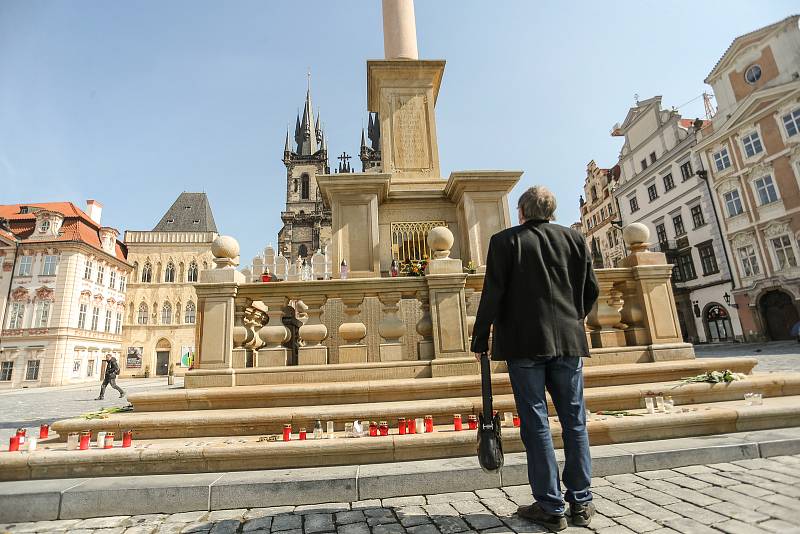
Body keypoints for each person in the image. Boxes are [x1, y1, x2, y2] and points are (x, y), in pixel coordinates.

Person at [471, 186, 599, 532]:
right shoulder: (574, 239)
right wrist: (574, 319)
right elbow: (591, 290)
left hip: (524, 344)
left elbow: (493, 294)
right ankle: (581, 501)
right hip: (569, 344)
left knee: (536, 422)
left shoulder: (505, 241)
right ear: (552, 212)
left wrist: (480, 337)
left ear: (521, 212)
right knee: (574, 420)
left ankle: (551, 506)